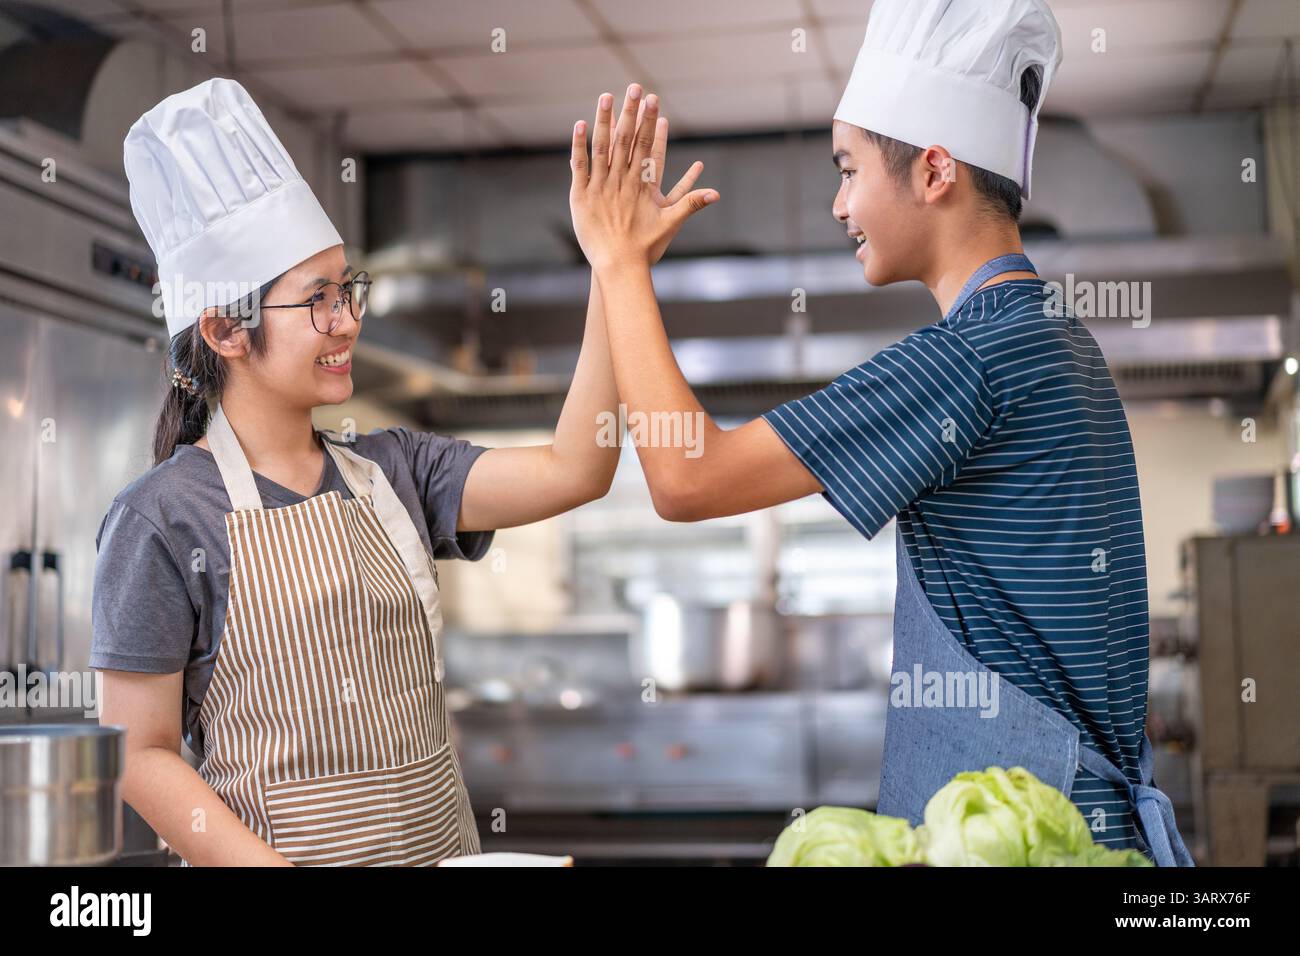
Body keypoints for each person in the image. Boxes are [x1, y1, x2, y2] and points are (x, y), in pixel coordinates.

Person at [567, 0, 1194, 865]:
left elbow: (686, 477)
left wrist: (619, 262)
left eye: (849, 168)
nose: (838, 203)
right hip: (1065, 831)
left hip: (1016, 842)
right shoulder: (1056, 335)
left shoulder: (968, 358)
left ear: (934, 170)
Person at [89, 77, 689, 866]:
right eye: (317, 301)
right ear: (224, 330)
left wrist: (617, 270)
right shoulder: (160, 521)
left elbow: (577, 467)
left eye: (348, 289)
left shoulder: (393, 470)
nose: (348, 320)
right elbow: (141, 754)